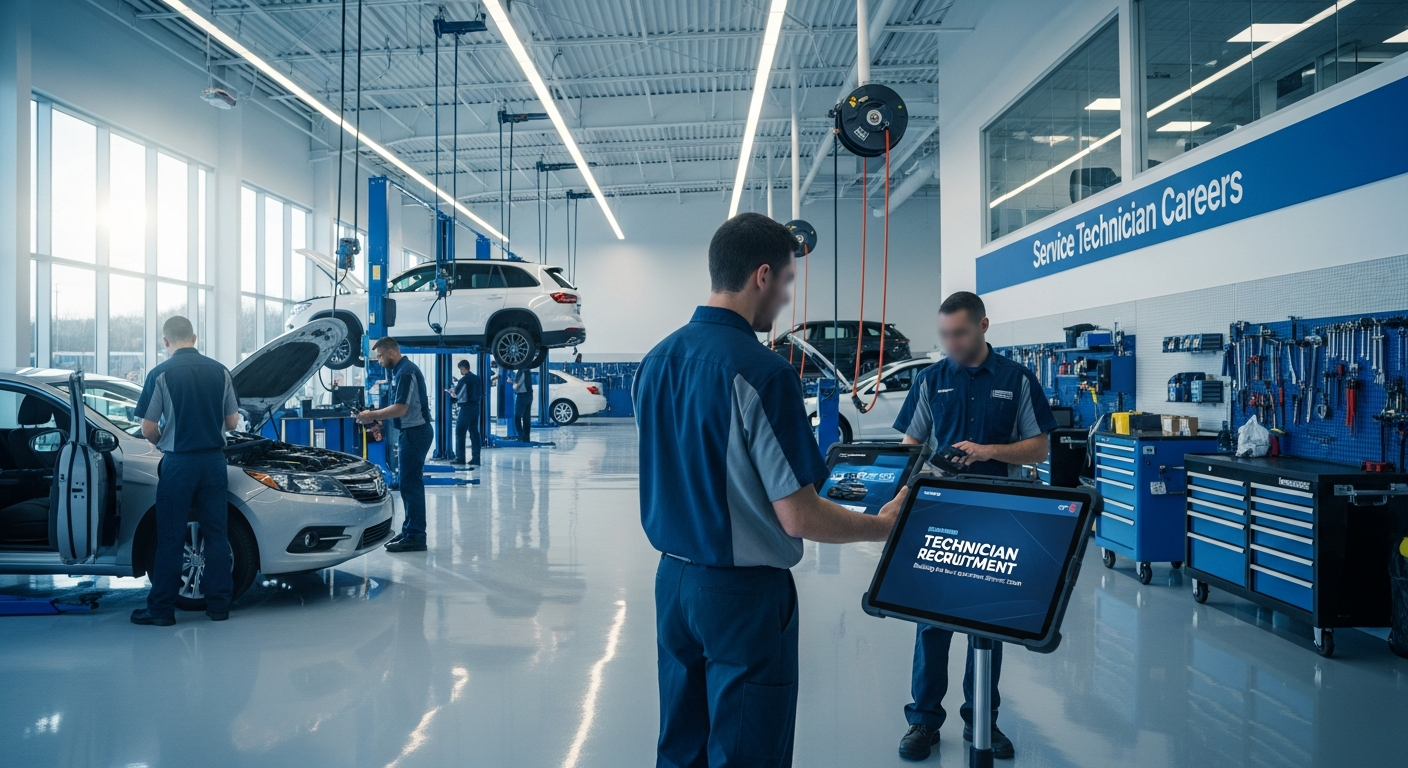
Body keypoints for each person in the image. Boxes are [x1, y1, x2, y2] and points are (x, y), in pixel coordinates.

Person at [635, 212, 908, 767]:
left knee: (681, 745)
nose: (785, 299)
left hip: (673, 585)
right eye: (786, 282)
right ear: (762, 276)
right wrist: (882, 525)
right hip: (743, 597)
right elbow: (799, 516)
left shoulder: (654, 362)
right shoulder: (764, 372)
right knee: (747, 752)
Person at [892, 291, 1057, 762]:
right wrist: (904, 491)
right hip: (939, 515)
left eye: (959, 333)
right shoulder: (930, 379)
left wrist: (989, 451)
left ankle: (981, 719)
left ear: (984, 326)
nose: (951, 343)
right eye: (944, 334)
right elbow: (911, 446)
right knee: (931, 621)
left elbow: (1039, 448)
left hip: (996, 517)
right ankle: (922, 722)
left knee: (989, 622)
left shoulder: (1017, 379)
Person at [129, 316, 240, 626]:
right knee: (216, 534)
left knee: (171, 536)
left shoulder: (160, 374)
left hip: (179, 464)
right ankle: (218, 606)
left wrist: (160, 440)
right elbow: (232, 423)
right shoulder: (220, 371)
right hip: (214, 462)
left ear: (166, 342)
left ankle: (162, 610)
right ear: (194, 336)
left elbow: (148, 427)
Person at [356, 338, 433, 553]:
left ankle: (416, 536)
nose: (378, 361)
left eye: (380, 356)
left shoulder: (406, 372)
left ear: (391, 352)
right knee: (408, 484)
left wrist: (371, 415)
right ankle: (410, 531)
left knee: (411, 485)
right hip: (411, 432)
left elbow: (400, 409)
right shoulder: (398, 372)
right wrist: (378, 421)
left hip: (416, 433)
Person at [447, 359, 481, 466]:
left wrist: (452, 393)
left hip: (466, 408)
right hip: (476, 407)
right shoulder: (477, 378)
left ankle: (460, 458)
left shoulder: (464, 380)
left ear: (463, 368)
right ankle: (476, 459)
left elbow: (458, 395)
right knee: (474, 433)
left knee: (460, 432)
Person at [513, 366, 533, 442]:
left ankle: (521, 436)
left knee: (517, 417)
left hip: (522, 396)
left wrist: (511, 382)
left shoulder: (522, 371)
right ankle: (526, 437)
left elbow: (516, 386)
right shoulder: (528, 370)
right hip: (529, 395)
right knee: (526, 418)